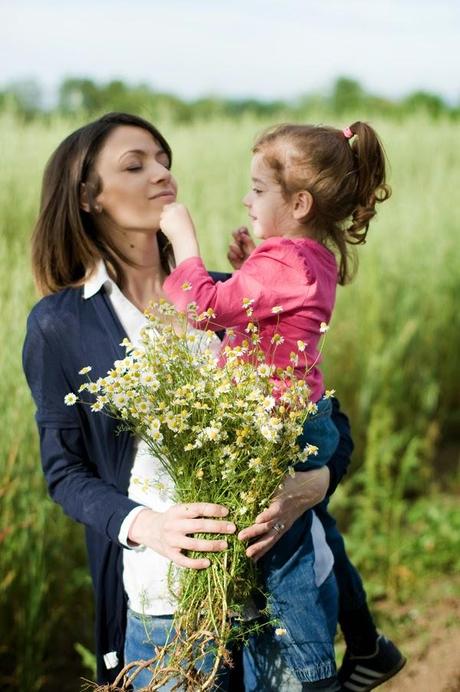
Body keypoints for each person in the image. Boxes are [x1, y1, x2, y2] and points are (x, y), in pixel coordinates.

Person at [21, 113, 402, 691]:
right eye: (135, 164)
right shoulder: (61, 324)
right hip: (164, 604)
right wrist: (147, 524)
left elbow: (327, 420)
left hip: (281, 608)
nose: (162, 174)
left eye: (163, 159)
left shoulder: (233, 293)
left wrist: (312, 486)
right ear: (88, 197)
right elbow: (64, 472)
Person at [159, 122, 405, 691]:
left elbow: (204, 305)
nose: (246, 199)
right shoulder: (307, 255)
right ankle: (363, 644)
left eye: (257, 189)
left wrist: (183, 242)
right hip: (299, 411)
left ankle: (312, 674)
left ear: (298, 202)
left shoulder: (287, 263)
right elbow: (270, 306)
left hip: (279, 422)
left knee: (280, 547)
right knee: (300, 530)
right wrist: (253, 262)